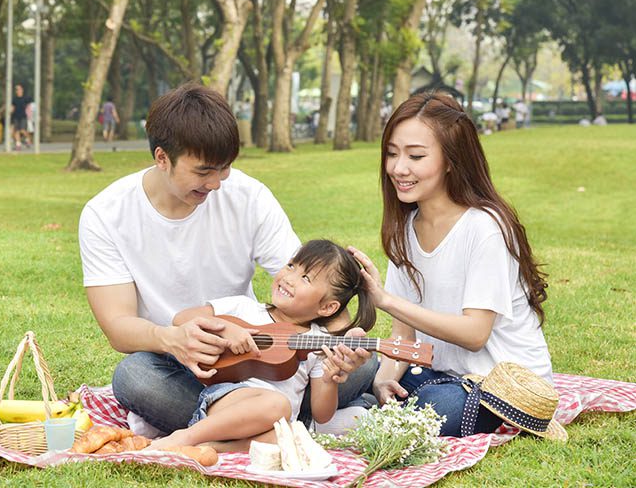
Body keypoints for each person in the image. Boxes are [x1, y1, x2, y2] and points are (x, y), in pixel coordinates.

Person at [78, 82, 375, 437]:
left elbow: (311, 288)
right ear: (162, 158)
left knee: (364, 360)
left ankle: (245, 427)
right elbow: (118, 327)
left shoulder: (249, 197)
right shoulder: (105, 214)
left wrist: (342, 349)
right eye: (204, 171)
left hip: (260, 364)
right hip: (182, 370)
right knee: (135, 377)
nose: (217, 184)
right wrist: (173, 339)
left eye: (225, 168)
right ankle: (284, 424)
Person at [348, 91, 553, 437]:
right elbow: (404, 337)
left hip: (500, 386)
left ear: (450, 160)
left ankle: (371, 415)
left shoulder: (485, 227)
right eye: (392, 154)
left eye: (415, 155)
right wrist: (383, 381)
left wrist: (385, 299)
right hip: (438, 372)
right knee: (353, 372)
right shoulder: (404, 230)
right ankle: (372, 409)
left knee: (436, 406)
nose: (399, 168)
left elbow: (475, 334)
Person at [150, 239, 376, 452]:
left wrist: (329, 379)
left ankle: (213, 447)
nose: (289, 277)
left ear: (327, 307)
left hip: (274, 424)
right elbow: (181, 318)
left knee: (293, 436)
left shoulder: (317, 343)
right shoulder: (243, 308)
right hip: (229, 401)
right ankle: (185, 437)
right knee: (277, 404)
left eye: (306, 278)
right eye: (291, 266)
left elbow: (322, 415)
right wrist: (226, 328)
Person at [11, 84, 31, 150]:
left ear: (22, 90)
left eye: (18, 89)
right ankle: (18, 145)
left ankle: (28, 140)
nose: (17, 91)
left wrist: (30, 115)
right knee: (16, 131)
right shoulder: (14, 99)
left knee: (22, 130)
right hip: (16, 116)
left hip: (23, 117)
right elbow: (13, 107)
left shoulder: (25, 98)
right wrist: (10, 112)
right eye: (16, 90)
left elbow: (29, 107)